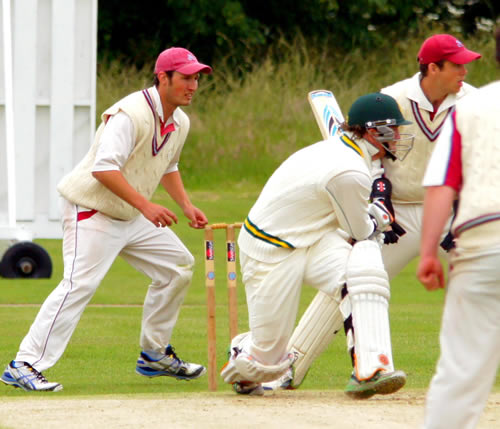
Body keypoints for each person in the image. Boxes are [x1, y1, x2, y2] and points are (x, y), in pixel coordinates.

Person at [263, 33, 482, 393]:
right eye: (457, 64)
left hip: (447, 210)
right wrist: (377, 200)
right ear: (433, 67)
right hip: (395, 213)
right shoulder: (393, 97)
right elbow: (367, 157)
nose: (465, 70)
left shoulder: (473, 102)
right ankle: (285, 369)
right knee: (354, 279)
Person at [0, 47, 212, 392]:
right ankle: (23, 364)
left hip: (128, 213)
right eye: (187, 77)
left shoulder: (179, 121)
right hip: (92, 209)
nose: (194, 85)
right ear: (163, 77)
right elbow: (103, 169)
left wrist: (186, 205)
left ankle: (154, 354)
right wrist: (147, 206)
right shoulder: (130, 114)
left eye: (197, 77)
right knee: (78, 285)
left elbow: (168, 165)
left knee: (177, 267)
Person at [220, 93, 413, 397]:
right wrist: (378, 217)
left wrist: (372, 208)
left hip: (316, 237)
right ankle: (242, 352)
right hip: (272, 249)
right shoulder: (348, 170)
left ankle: (371, 369)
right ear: (375, 132)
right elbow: (359, 230)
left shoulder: (353, 154)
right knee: (269, 363)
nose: (401, 136)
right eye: (396, 129)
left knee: (364, 273)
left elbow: (357, 224)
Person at [417, 28, 500, 429]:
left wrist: (429, 252)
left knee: (461, 371)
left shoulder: (470, 108)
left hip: (481, 243)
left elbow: (442, 184)